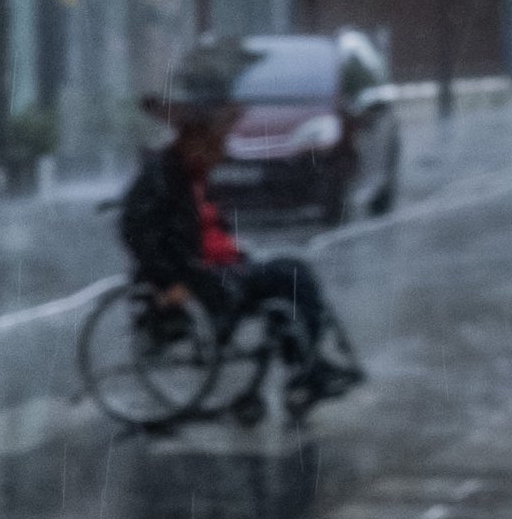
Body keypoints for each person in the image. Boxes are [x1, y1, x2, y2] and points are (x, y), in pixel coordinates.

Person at [115, 88, 361, 416]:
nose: (222, 151)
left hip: (220, 267)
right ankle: (306, 370)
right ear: (194, 141)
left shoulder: (191, 175)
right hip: (197, 277)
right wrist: (165, 283)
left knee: (295, 271)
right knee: (287, 283)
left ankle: (307, 366)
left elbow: (210, 226)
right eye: (215, 143)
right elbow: (136, 230)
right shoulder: (161, 176)